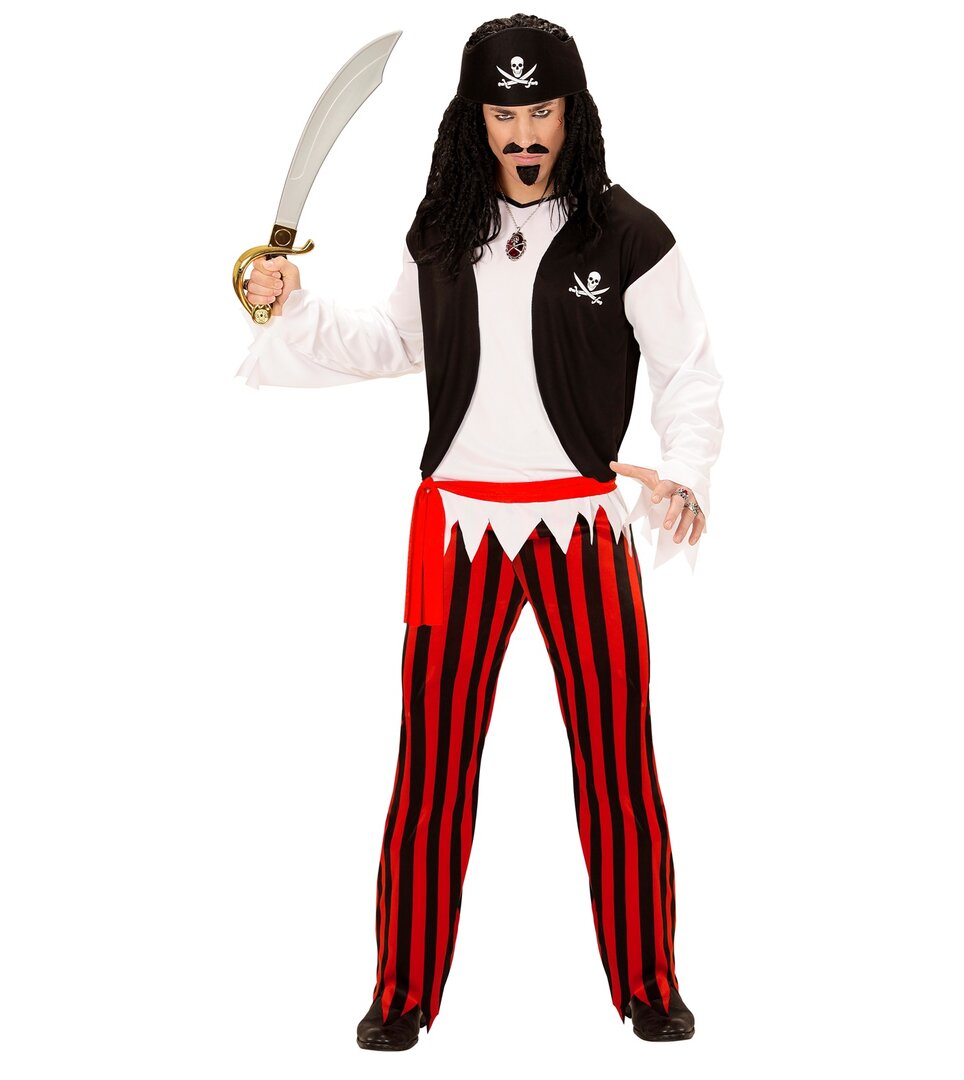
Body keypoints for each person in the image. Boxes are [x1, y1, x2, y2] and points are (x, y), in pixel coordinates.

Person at [237, 12, 723, 1051]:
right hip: (458, 531)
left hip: (583, 528)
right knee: (432, 767)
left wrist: (684, 469)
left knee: (617, 761)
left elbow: (688, 371)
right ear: (478, 120)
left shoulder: (628, 234)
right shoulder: (443, 227)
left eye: (541, 110)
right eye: (506, 114)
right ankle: (402, 991)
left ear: (572, 114)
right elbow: (391, 342)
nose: (525, 133)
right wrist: (292, 305)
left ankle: (648, 982)